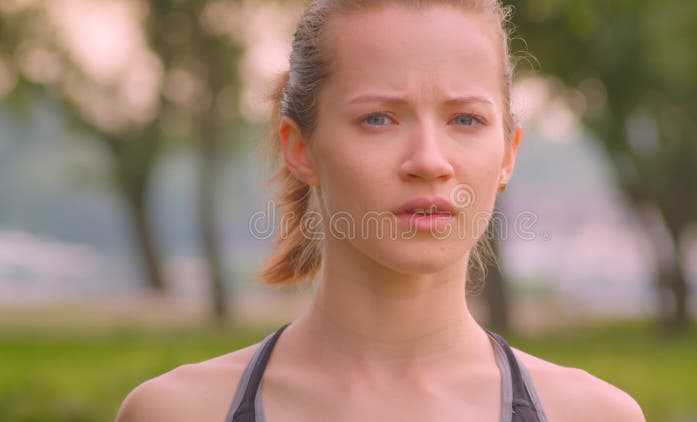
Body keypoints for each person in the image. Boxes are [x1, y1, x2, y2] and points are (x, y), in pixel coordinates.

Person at [116, 0, 645, 421]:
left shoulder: (595, 415)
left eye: (465, 120)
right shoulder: (176, 412)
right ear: (300, 149)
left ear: (508, 154)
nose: (429, 162)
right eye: (379, 119)